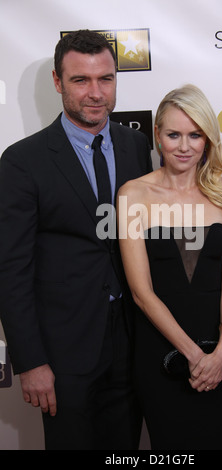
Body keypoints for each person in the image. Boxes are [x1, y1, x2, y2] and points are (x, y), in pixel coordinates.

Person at [0, 30, 152, 450]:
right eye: (80, 80)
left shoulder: (136, 146)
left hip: (132, 343)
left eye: (105, 79)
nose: (95, 93)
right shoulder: (22, 161)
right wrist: (30, 361)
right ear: (57, 82)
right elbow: (11, 270)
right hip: (64, 352)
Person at [117, 84, 222, 450]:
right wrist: (194, 357)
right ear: (157, 136)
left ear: (207, 139)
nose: (184, 145)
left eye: (195, 135)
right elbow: (141, 294)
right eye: (173, 134)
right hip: (162, 353)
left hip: (220, 353)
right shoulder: (133, 195)